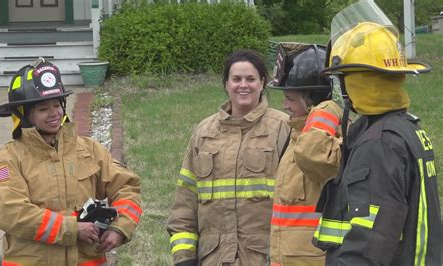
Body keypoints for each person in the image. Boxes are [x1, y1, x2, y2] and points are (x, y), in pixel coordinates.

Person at [312, 1, 442, 265]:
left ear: (356, 81)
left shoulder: (379, 143)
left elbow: (370, 242)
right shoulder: (405, 128)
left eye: (342, 77)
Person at [0, 59, 142, 265]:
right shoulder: (8, 159)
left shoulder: (88, 150)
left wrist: (119, 228)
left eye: (57, 105)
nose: (54, 113)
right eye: (43, 108)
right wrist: (70, 228)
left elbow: (126, 187)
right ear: (24, 114)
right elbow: (9, 211)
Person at [166, 49, 290, 265]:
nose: (243, 85)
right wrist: (184, 258)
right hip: (213, 258)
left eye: (250, 79)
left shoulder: (283, 128)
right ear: (226, 84)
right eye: (236, 79)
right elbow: (185, 202)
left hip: (265, 258)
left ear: (262, 83)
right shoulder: (204, 132)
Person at [267, 43, 342, 265]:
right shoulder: (298, 134)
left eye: (290, 99)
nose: (284, 105)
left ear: (311, 99)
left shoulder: (328, 134)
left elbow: (314, 157)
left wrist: (325, 110)